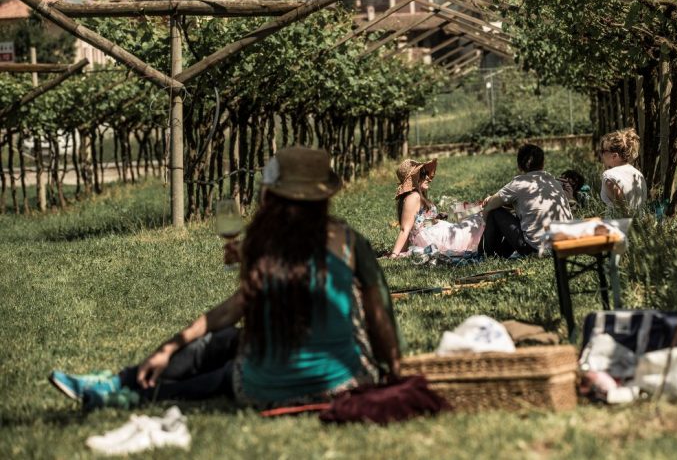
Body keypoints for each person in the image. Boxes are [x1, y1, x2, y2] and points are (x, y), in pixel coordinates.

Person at [48, 147, 401, 410]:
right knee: (229, 346)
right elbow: (380, 315)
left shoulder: (265, 244)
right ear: (325, 196)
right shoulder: (351, 242)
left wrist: (167, 348)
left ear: (271, 195)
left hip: (263, 389)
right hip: (344, 384)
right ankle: (121, 387)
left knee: (222, 355)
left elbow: (232, 310)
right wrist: (394, 369)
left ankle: (123, 386)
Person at [478, 144, 572, 258]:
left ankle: (485, 254)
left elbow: (489, 207)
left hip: (535, 249)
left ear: (519, 166)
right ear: (543, 163)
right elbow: (530, 206)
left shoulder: (518, 184)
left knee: (495, 213)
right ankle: (500, 255)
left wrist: (488, 207)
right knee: (523, 217)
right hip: (563, 244)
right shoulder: (554, 182)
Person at [390, 158, 484, 257]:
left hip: (433, 234)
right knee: (476, 222)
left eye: (426, 173)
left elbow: (418, 224)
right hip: (432, 237)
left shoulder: (416, 196)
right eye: (423, 174)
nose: (427, 177)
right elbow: (405, 229)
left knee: (472, 220)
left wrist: (438, 218)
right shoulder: (414, 197)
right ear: (414, 179)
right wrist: (394, 254)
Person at [599, 128, 648, 212]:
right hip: (640, 221)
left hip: (620, 223)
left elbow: (622, 208)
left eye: (603, 151)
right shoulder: (638, 174)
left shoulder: (609, 176)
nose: (601, 154)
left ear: (614, 156)